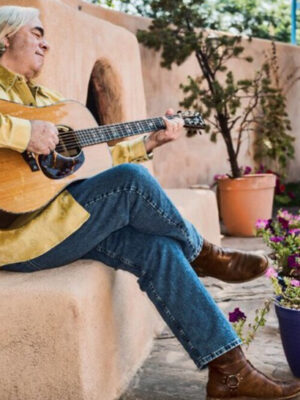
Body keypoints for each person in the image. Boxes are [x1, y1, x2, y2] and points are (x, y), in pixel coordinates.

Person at [0, 6, 299, 400]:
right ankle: (203, 252)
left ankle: (229, 373)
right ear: (5, 37)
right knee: (134, 182)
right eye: (36, 33)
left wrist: (148, 143)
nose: (46, 43)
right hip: (18, 236)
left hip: (62, 221)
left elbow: (97, 165)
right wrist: (23, 134)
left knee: (158, 248)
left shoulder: (50, 102)